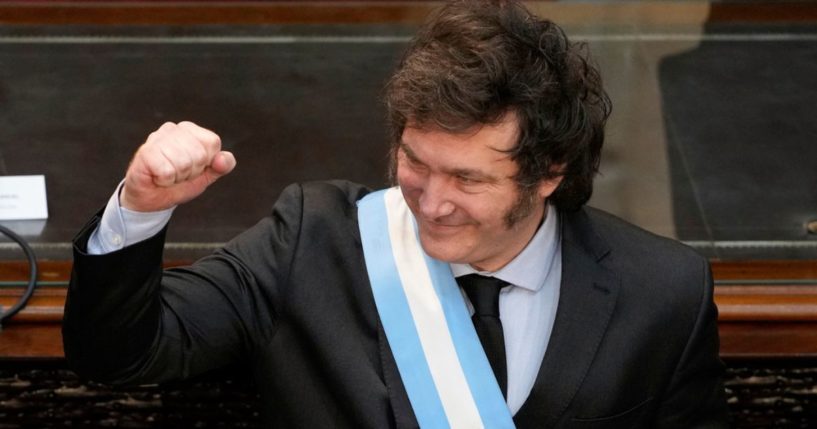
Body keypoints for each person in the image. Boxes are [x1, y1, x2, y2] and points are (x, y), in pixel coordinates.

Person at [63, 1, 729, 427]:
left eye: (467, 178)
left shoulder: (663, 292)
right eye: (414, 161)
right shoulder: (310, 240)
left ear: (548, 172)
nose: (430, 201)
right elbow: (121, 353)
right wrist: (139, 211)